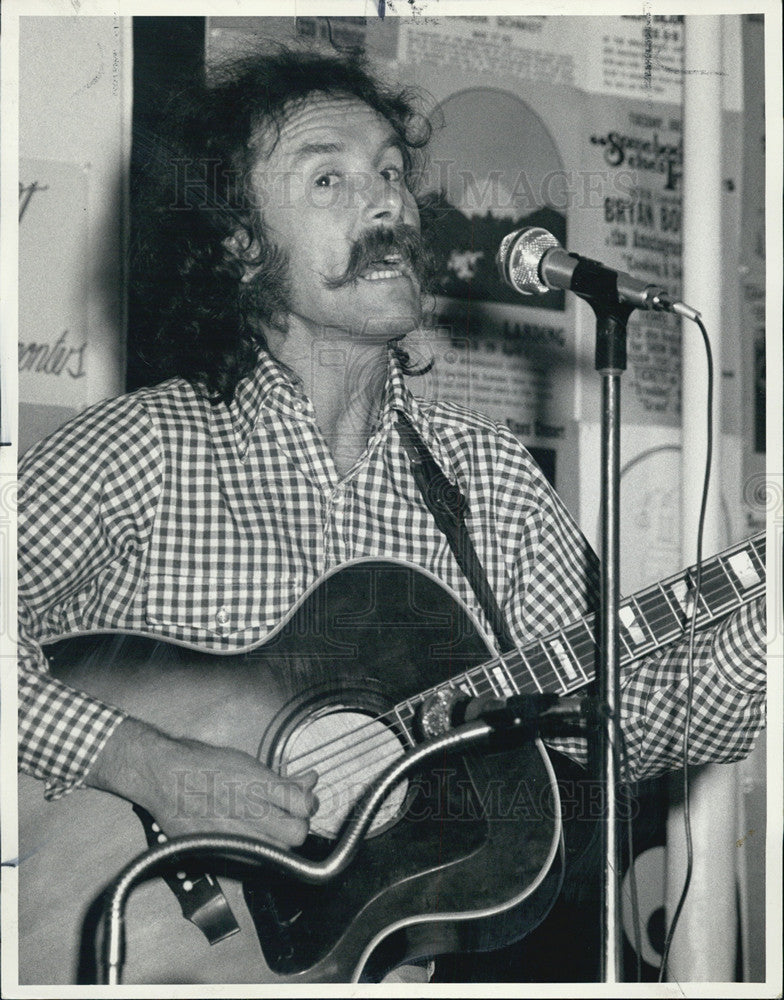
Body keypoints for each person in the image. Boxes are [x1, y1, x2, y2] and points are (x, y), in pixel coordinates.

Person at [18, 47, 766, 982]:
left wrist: (761, 619)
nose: (388, 205)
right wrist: (148, 762)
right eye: (328, 176)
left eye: (392, 173)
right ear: (238, 242)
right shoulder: (142, 449)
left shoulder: (487, 478)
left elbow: (629, 719)